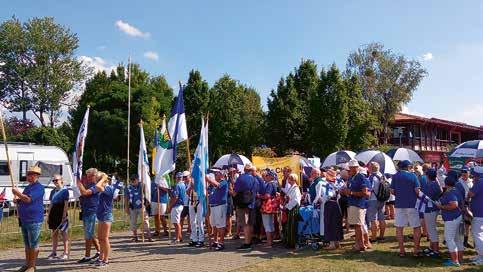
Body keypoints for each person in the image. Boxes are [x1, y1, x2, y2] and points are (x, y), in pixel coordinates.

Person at [12, 166, 45, 272]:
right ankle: (27, 264)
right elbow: (23, 199)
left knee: (33, 243)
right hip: (25, 219)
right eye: (28, 174)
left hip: (34, 219)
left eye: (30, 174)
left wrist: (18, 193)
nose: (27, 176)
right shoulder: (28, 187)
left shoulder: (39, 187)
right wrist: (17, 200)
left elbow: (28, 199)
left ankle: (32, 266)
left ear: (35, 175)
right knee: (27, 244)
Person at [390, 160, 422, 257]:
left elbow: (392, 191)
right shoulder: (413, 176)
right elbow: (417, 190)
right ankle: (416, 251)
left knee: (399, 228)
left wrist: (399, 194)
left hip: (400, 204)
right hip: (412, 204)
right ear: (408, 167)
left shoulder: (395, 176)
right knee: (416, 227)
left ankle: (402, 251)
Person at [341, 159, 370, 252]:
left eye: (351, 168)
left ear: (356, 168)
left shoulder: (360, 177)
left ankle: (360, 244)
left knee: (358, 225)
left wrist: (351, 193)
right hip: (352, 203)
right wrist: (345, 192)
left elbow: (365, 193)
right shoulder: (351, 177)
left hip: (358, 204)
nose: (349, 170)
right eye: (349, 168)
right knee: (357, 225)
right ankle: (360, 244)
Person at [436, 175, 464, 267]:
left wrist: (441, 207)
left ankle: (455, 261)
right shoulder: (457, 190)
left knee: (449, 239)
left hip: (451, 218)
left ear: (446, 183)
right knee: (457, 239)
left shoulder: (450, 193)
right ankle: (459, 259)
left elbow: (454, 205)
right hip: (457, 217)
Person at [76, 168, 101, 264]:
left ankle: (87, 256)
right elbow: (83, 195)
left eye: (90, 175)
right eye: (87, 175)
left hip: (92, 211)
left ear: (95, 175)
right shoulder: (88, 184)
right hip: (86, 211)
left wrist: (78, 183)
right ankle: (99, 251)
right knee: (90, 234)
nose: (88, 177)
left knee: (88, 235)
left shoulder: (96, 185)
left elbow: (86, 192)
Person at [233, 164, 257, 250]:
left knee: (245, 223)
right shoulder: (254, 179)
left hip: (243, 204)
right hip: (252, 203)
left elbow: (235, 192)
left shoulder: (241, 178)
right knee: (250, 224)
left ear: (244, 169)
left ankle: (247, 243)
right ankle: (249, 241)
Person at [47, 174, 70, 260]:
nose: (55, 182)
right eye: (54, 181)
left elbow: (66, 204)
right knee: (54, 233)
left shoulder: (65, 191)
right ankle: (54, 252)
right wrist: (48, 215)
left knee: (64, 233)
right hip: (53, 213)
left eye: (56, 180)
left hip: (61, 212)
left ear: (61, 180)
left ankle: (66, 252)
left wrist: (64, 215)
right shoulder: (52, 191)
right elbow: (51, 204)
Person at [94, 171, 113, 268]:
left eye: (97, 178)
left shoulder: (108, 188)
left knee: (105, 238)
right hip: (100, 215)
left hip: (106, 215)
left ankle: (106, 260)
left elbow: (97, 186)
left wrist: (102, 179)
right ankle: (101, 257)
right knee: (100, 238)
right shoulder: (102, 188)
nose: (96, 180)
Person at [124, 175, 152, 242]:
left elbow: (147, 193)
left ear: (137, 180)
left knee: (145, 221)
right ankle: (135, 236)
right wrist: (126, 207)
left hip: (142, 206)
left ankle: (149, 236)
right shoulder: (128, 187)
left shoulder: (142, 185)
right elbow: (126, 198)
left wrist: (147, 201)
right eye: (132, 180)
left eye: (135, 180)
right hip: (132, 207)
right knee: (133, 222)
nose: (133, 181)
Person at [422, 168, 442, 257]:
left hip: (430, 209)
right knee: (431, 229)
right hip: (434, 208)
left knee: (431, 230)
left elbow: (425, 198)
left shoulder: (429, 185)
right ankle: (432, 247)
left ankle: (436, 250)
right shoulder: (436, 184)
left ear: (428, 176)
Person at [207, 169, 229, 250]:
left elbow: (217, 185)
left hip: (220, 205)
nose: (215, 175)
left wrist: (207, 178)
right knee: (214, 225)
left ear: (221, 175)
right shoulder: (212, 185)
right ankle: (215, 241)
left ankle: (221, 242)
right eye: (215, 174)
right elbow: (208, 191)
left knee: (221, 225)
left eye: (217, 174)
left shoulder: (224, 182)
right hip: (213, 206)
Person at [366, 162, 386, 243]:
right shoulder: (382, 176)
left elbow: (369, 189)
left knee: (373, 219)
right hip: (382, 199)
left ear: (371, 168)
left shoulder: (371, 177)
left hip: (373, 199)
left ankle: (373, 237)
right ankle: (381, 236)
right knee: (381, 218)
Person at [323, 169, 343, 250]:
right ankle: (337, 242)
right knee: (336, 223)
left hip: (330, 204)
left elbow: (328, 195)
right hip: (337, 204)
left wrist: (322, 199)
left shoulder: (328, 184)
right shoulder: (338, 183)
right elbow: (339, 196)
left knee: (330, 223)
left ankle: (332, 244)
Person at [468, 166, 483, 265]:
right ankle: (479, 254)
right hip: (479, 212)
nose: (472, 176)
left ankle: (482, 257)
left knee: (477, 234)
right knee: (478, 234)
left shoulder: (480, 182)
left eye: (474, 174)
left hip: (479, 213)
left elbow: (470, 194)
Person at [455, 167, 474, 248]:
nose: (464, 173)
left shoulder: (472, 182)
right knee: (458, 222)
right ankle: (452, 239)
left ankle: (465, 241)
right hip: (460, 205)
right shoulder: (458, 182)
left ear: (469, 173)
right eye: (462, 172)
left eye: (465, 172)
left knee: (467, 223)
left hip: (469, 204)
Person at [260, 169, 278, 248]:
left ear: (271, 176)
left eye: (267, 175)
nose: (265, 177)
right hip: (271, 206)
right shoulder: (274, 183)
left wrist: (259, 196)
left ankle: (269, 242)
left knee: (267, 224)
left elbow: (267, 196)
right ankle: (270, 241)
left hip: (267, 206)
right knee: (270, 223)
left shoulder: (270, 184)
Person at [282, 173, 301, 248]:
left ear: (293, 180)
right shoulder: (292, 187)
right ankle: (289, 242)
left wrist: (287, 206)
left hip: (293, 209)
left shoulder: (295, 188)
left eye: (290, 178)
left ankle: (292, 243)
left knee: (292, 226)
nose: (288, 180)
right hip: (291, 208)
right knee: (289, 226)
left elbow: (295, 200)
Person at [187, 170, 205, 247]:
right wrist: (191, 186)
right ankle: (194, 238)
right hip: (191, 201)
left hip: (199, 201)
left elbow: (203, 193)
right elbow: (187, 192)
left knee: (200, 221)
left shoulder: (201, 182)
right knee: (192, 221)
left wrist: (196, 187)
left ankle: (201, 239)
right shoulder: (191, 181)